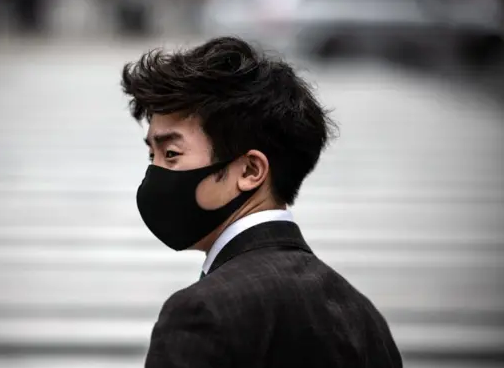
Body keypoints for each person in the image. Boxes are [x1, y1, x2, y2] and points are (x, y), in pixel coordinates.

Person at [121, 36, 402, 368]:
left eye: (171, 154)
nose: (154, 174)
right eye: (151, 154)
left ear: (251, 170)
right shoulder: (364, 318)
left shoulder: (203, 312)